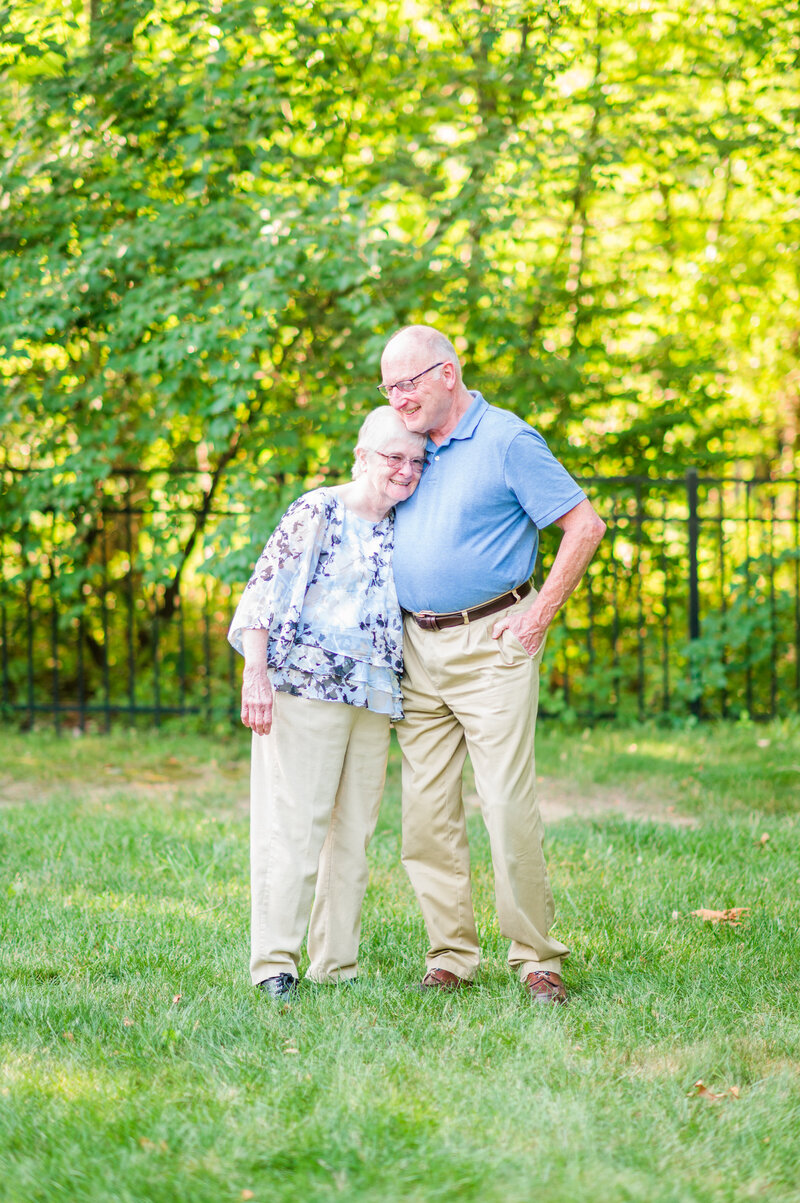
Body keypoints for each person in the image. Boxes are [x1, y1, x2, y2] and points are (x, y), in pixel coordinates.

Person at [380, 325, 606, 1004]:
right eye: (388, 387)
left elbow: (584, 525)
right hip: (416, 648)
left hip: (491, 643)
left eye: (408, 383)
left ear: (447, 373)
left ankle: (538, 957)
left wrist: (536, 620)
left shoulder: (507, 439)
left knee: (505, 804)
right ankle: (450, 955)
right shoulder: (407, 447)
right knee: (425, 812)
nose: (398, 398)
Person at [228, 407, 427, 999]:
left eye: (417, 461)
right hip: (306, 686)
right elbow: (267, 589)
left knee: (353, 835)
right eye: (395, 457)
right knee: (294, 825)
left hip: (373, 692)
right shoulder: (319, 509)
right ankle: (274, 965)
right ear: (361, 456)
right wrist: (254, 676)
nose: (407, 470)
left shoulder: (403, 523)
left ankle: (337, 965)